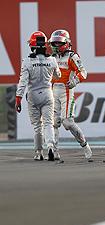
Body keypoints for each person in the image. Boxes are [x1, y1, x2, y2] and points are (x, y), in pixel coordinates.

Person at [15, 31, 61, 161]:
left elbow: (23, 82)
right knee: (48, 123)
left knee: (37, 126)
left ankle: (39, 153)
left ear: (32, 46)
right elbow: (57, 75)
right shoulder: (52, 60)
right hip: (48, 93)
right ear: (45, 45)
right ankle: (51, 147)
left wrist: (18, 98)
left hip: (33, 94)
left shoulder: (27, 62)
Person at [49, 29, 92, 160]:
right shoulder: (51, 58)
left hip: (66, 91)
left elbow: (83, 72)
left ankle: (85, 145)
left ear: (66, 43)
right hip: (52, 90)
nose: (56, 46)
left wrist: (75, 81)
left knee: (67, 122)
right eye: (54, 43)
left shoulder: (72, 56)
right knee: (54, 123)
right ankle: (54, 151)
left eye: (59, 43)